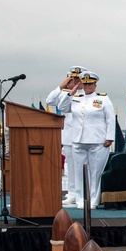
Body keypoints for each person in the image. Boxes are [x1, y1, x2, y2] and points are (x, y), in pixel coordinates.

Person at [57, 71, 114, 209]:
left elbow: (110, 119)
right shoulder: (76, 98)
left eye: (90, 84)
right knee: (78, 171)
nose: (88, 87)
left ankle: (93, 200)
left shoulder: (103, 99)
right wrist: (70, 93)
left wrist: (109, 137)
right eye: (85, 84)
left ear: (95, 85)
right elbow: (62, 107)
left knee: (95, 172)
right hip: (78, 139)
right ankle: (80, 199)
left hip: (97, 140)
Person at [46, 66, 86, 206]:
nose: (76, 82)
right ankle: (72, 194)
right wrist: (61, 87)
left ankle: (82, 194)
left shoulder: (89, 94)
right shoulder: (66, 94)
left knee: (82, 166)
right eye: (73, 79)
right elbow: (50, 101)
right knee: (70, 167)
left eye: (78, 79)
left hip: (83, 136)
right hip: (69, 136)